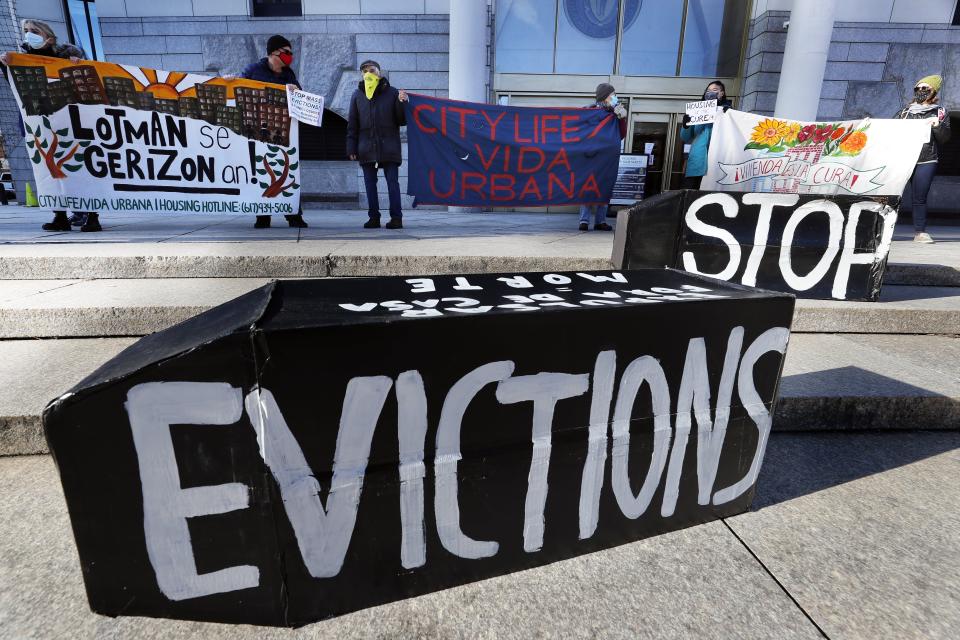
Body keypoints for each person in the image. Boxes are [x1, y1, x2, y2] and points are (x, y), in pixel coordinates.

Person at [1, 21, 100, 232]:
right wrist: (5, 66)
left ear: (49, 37)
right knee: (49, 168)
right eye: (26, 31)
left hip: (70, 120)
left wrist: (79, 64)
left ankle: (92, 215)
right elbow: (18, 89)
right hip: (40, 120)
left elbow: (87, 82)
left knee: (82, 167)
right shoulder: (21, 60)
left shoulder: (68, 56)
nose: (29, 35)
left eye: (34, 31)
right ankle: (60, 216)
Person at [240, 34, 308, 230]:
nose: (289, 56)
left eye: (290, 52)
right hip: (257, 131)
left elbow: (300, 99)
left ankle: (294, 216)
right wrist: (228, 81)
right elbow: (238, 87)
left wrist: (295, 90)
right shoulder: (254, 70)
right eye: (286, 52)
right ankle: (263, 217)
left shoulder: (289, 74)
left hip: (282, 131)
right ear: (273, 53)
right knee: (262, 174)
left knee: (287, 173)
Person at [346, 60, 408, 229]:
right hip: (366, 147)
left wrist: (403, 102)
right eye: (364, 71)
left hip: (389, 146)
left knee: (392, 183)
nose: (368, 73)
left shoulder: (393, 93)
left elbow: (402, 120)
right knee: (369, 184)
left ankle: (396, 218)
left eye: (372, 70)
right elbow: (353, 123)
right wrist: (351, 147)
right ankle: (374, 217)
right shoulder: (357, 95)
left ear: (379, 72)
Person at [896, 74, 951, 244]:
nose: (921, 91)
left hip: (926, 160)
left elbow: (944, 138)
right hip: (903, 159)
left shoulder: (940, 112)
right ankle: (880, 228)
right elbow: (890, 131)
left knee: (919, 197)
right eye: (918, 88)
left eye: (925, 88)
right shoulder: (905, 112)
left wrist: (937, 126)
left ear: (933, 91)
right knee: (890, 195)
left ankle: (920, 232)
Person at [579, 82, 628, 231]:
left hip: (607, 158)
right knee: (588, 186)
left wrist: (621, 119)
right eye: (612, 94)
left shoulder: (615, 114)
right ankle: (584, 220)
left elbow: (621, 135)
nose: (615, 97)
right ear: (605, 96)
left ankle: (600, 221)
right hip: (591, 156)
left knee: (604, 187)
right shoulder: (590, 111)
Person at [679, 80, 733, 191]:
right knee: (690, 193)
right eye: (708, 91)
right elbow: (685, 137)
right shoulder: (697, 111)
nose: (710, 93)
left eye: (715, 90)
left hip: (716, 162)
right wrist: (686, 125)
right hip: (697, 161)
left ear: (722, 93)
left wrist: (728, 115)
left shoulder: (727, 112)